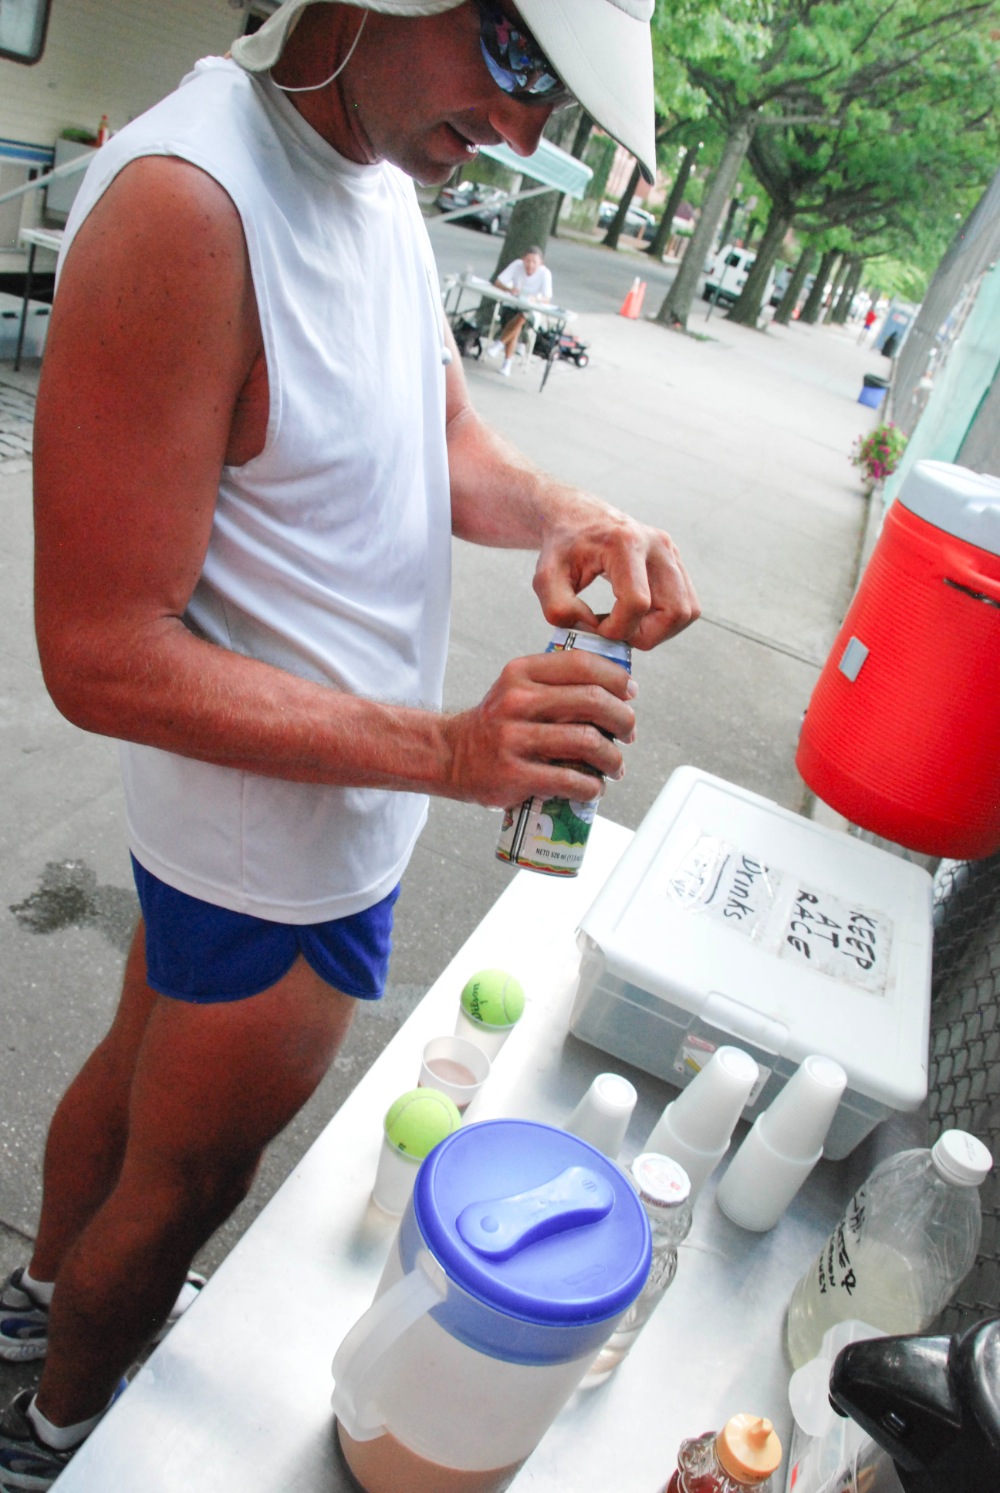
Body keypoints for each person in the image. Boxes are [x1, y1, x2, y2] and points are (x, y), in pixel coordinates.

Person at [0, 0, 697, 1483]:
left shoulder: (369, 167)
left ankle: (38, 1307)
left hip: (291, 813)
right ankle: (59, 1427)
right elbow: (99, 650)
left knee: (138, 1078)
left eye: (559, 99)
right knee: (187, 1184)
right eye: (517, 57)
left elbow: (437, 438)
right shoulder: (193, 206)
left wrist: (566, 510)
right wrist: (451, 751)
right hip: (277, 846)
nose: (521, 129)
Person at [487, 243, 552, 376]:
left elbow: (547, 298)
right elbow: (498, 282)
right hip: (513, 305)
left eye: (534, 262)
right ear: (523, 259)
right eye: (528, 261)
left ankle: (500, 345)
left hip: (530, 310)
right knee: (514, 323)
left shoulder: (545, 274)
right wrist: (510, 289)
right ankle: (506, 361)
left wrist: (536, 299)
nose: (530, 265)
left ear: (540, 263)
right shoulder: (517, 265)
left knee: (522, 317)